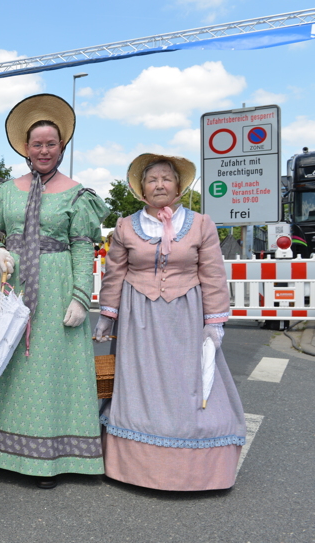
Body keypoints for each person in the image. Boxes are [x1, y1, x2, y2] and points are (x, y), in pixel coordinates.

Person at [0, 94, 109, 489]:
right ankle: (0, 450)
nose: (45, 150)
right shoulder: (6, 190)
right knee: (9, 361)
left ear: (62, 147)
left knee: (49, 369)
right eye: (38, 144)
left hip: (55, 287)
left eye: (52, 143)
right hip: (12, 284)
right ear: (26, 148)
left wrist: (81, 296)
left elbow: (84, 245)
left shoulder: (77, 194)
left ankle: (48, 456)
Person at [93, 154, 246, 491]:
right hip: (138, 319)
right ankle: (134, 468)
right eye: (152, 179)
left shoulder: (201, 224)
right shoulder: (125, 226)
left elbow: (213, 274)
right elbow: (115, 272)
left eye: (166, 178)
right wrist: (107, 315)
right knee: (139, 385)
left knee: (188, 385)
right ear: (141, 189)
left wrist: (214, 322)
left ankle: (195, 468)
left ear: (178, 187)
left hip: (185, 316)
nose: (160, 184)